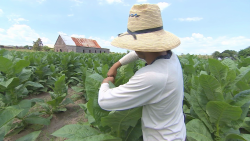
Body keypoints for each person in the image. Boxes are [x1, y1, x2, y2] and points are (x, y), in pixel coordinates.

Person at [98, 4, 186, 141]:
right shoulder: (172, 57)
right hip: (177, 132)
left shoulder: (152, 76)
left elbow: (105, 101)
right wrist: (117, 64)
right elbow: (138, 52)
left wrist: (105, 83)